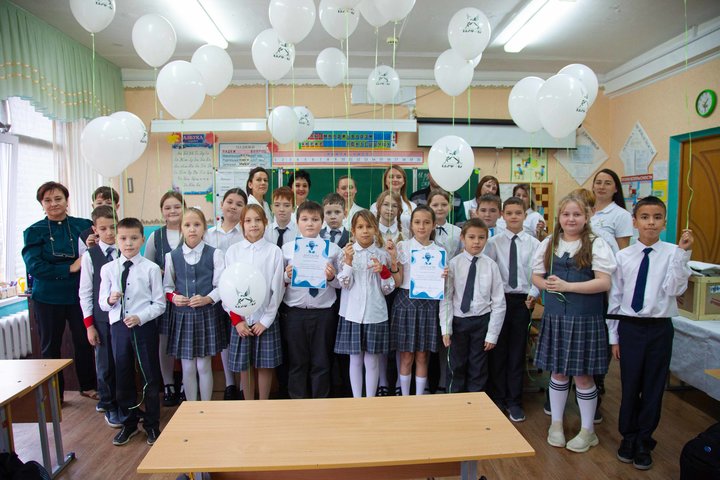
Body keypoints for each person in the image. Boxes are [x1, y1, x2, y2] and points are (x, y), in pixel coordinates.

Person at [607, 196, 693, 471]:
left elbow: (675, 289)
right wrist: (614, 337)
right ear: (635, 222)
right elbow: (615, 298)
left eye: (657, 217)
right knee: (630, 385)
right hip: (630, 328)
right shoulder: (623, 256)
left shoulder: (673, 253)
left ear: (664, 222)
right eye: (645, 217)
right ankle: (628, 437)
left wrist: (683, 254)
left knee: (654, 387)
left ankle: (644, 440)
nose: (651, 223)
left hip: (659, 328)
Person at [531, 194, 616, 453]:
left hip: (584, 318)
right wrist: (545, 284)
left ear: (586, 217)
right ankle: (556, 425)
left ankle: (588, 430)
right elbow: (536, 276)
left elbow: (604, 282)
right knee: (557, 372)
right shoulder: (549, 242)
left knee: (582, 376)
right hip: (556, 317)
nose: (571, 219)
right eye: (566, 214)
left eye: (577, 214)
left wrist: (568, 286)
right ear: (559, 217)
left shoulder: (596, 244)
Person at [22, 181, 97, 399]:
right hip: (47, 297)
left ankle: (88, 386)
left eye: (58, 199)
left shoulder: (83, 225)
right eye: (47, 200)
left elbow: (100, 249)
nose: (53, 204)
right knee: (50, 347)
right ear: (41, 204)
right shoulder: (34, 231)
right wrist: (70, 267)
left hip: (79, 295)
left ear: (66, 201)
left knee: (84, 341)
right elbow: (34, 266)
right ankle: (55, 394)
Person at [99, 217, 165, 446]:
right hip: (119, 329)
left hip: (143, 327)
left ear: (142, 240)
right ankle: (128, 423)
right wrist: (110, 299)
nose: (128, 243)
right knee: (123, 374)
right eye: (124, 238)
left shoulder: (151, 269)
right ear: (117, 240)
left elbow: (160, 304)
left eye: (134, 238)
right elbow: (101, 303)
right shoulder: (109, 269)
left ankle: (152, 424)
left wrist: (140, 317)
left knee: (150, 375)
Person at [484, 197, 540, 423]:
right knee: (498, 352)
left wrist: (534, 293)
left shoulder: (534, 244)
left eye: (518, 213)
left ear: (525, 215)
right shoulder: (493, 242)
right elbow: (488, 272)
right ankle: (498, 398)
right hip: (499, 300)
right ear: (502, 216)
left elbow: (539, 272)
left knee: (517, 353)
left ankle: (514, 401)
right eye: (509, 213)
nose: (514, 216)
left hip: (522, 302)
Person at [164, 208, 227, 402]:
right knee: (188, 366)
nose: (192, 229)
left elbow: (221, 286)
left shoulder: (215, 254)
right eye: (187, 225)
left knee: (203, 365)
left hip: (206, 314)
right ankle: (191, 406)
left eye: (197, 225)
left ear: (204, 228)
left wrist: (208, 298)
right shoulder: (172, 256)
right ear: (181, 229)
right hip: (183, 316)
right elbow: (167, 287)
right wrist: (174, 298)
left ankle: (206, 406)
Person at [281, 201, 342, 398]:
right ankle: (297, 403)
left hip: (323, 312)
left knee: (321, 362)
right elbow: (277, 281)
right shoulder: (287, 249)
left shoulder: (332, 249)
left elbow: (342, 283)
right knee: (297, 362)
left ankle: (320, 403)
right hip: (295, 313)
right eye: (305, 219)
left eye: (315, 219)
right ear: (297, 222)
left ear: (322, 222)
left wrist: (332, 278)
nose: (310, 223)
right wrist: (286, 276)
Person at [225, 204, 285, 401]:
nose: (253, 225)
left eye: (258, 220)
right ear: (242, 224)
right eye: (248, 221)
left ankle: (263, 404)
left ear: (265, 223)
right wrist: (237, 320)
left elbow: (277, 289)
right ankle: (248, 405)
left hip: (264, 318)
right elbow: (227, 288)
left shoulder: (274, 251)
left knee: (265, 365)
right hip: (241, 319)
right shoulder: (233, 252)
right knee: (245, 366)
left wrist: (265, 321)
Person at [440, 218, 505, 393]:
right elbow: (446, 298)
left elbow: (499, 302)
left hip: (482, 322)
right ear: (462, 238)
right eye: (471, 237)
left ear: (486, 239)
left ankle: (476, 403)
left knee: (479, 367)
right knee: (456, 366)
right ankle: (455, 401)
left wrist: (492, 334)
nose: (476, 242)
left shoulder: (491, 266)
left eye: (481, 237)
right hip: (458, 322)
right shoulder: (453, 264)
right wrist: (446, 328)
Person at [335, 210, 396, 398]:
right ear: (353, 231)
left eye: (369, 226)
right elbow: (344, 284)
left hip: (374, 314)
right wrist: (348, 262)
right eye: (360, 227)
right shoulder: (345, 253)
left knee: (372, 360)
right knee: (355, 359)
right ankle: (357, 399)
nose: (365, 231)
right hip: (352, 313)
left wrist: (383, 271)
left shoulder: (382, 255)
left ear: (375, 229)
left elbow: (388, 289)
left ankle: (370, 400)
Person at [389, 205, 446, 396]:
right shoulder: (402, 247)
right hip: (406, 302)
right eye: (417, 222)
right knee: (406, 356)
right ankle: (405, 397)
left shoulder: (440, 250)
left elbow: (443, 286)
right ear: (411, 225)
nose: (422, 226)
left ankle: (420, 398)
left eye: (426, 222)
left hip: (429, 305)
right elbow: (397, 282)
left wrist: (445, 276)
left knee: (422, 356)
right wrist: (394, 262)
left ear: (434, 225)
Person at [79, 206, 122, 427]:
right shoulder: (90, 256)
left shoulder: (125, 249)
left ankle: (124, 402)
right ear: (95, 230)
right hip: (101, 319)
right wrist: (89, 325)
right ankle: (108, 403)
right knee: (105, 364)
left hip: (123, 318)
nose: (109, 233)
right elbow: (85, 292)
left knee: (122, 361)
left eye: (113, 227)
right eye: (103, 229)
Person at [204, 187, 247, 400]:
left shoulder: (246, 233)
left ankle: (243, 386)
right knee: (223, 340)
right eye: (230, 202)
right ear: (222, 204)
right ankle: (229, 384)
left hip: (240, 295)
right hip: (213, 295)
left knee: (239, 337)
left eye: (239, 204)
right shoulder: (208, 234)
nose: (233, 207)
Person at [144, 190, 185, 406]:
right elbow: (146, 266)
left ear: (184, 208)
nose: (173, 211)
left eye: (177, 206)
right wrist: (159, 272)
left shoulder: (191, 230)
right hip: (164, 298)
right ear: (162, 211)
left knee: (187, 341)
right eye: (167, 207)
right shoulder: (155, 236)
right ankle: (168, 384)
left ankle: (186, 384)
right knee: (165, 341)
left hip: (187, 298)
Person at [374, 189, 404, 396]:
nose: (390, 209)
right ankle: (383, 381)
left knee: (399, 339)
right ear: (378, 207)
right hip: (376, 290)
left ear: (400, 210)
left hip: (398, 291)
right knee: (381, 338)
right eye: (386, 204)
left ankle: (401, 381)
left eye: (394, 206)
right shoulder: (371, 231)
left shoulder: (405, 233)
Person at [591, 168, 633, 250]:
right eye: (598, 183)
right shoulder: (583, 211)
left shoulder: (622, 215)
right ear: (593, 187)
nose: (602, 187)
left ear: (616, 189)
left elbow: (623, 251)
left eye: (608, 183)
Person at [370, 166, 416, 233]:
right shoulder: (375, 207)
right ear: (385, 181)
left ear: (404, 181)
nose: (395, 179)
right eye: (391, 177)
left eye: (398, 177)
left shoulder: (412, 206)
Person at [428, 189, 462, 260]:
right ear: (428, 207)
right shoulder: (424, 230)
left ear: (450, 207)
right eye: (435, 205)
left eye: (444, 205)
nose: (440, 208)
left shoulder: (458, 231)